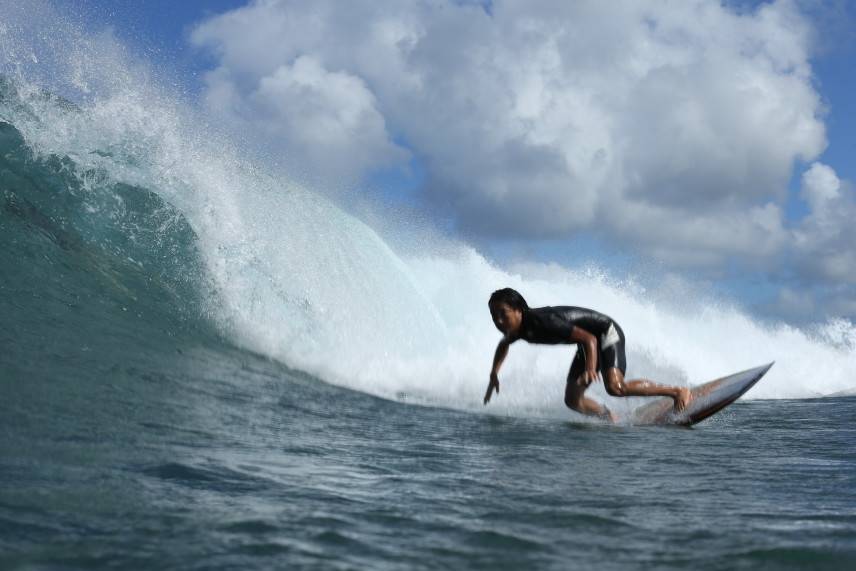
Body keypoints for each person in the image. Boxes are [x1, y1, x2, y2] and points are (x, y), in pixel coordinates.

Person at [484, 288, 691, 422]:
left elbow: (589, 338)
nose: (499, 321)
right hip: (586, 344)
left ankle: (677, 391)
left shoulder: (542, 322)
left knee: (615, 387)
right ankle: (609, 417)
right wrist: (494, 374)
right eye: (494, 316)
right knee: (572, 400)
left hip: (605, 332)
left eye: (503, 314)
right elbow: (504, 345)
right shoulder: (516, 330)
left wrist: (591, 368)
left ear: (519, 310)